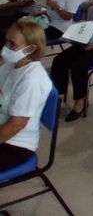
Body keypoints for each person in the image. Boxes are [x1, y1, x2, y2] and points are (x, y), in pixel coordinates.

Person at [0, 21, 52, 173]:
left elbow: (16, 125)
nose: (5, 48)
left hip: (14, 143)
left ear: (30, 49)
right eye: (6, 41)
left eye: (12, 44)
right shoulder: (12, 63)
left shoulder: (31, 80)